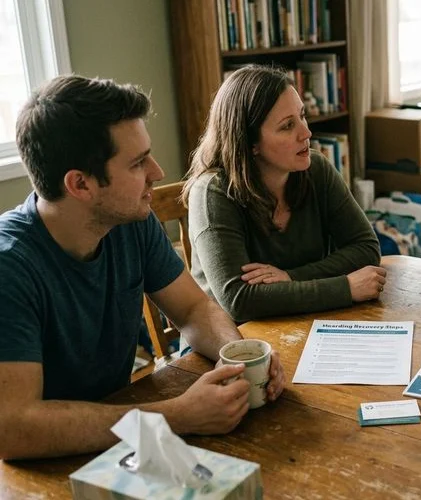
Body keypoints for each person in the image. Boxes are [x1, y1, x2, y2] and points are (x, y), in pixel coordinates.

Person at [0, 75, 286, 460]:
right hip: (42, 467)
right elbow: (13, 428)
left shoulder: (129, 220)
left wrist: (239, 358)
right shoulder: (10, 266)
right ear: (81, 185)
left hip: (119, 441)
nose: (157, 171)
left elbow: (193, 309)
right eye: (137, 163)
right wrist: (176, 415)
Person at [182, 65, 383, 322]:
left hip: (302, 321)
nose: (306, 133)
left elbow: (365, 249)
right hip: (234, 343)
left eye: (302, 116)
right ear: (250, 143)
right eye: (288, 126)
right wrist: (344, 287)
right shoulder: (212, 192)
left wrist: (291, 277)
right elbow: (240, 300)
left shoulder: (316, 168)